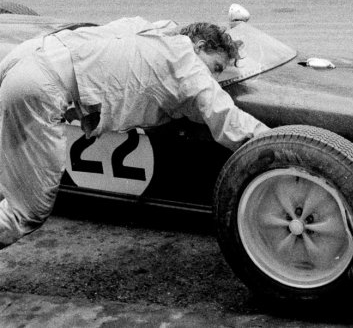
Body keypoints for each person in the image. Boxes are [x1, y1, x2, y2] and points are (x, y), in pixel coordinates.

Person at [0, 16, 269, 248]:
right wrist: (281, 144)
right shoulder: (186, 62)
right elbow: (226, 118)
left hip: (25, 55)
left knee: (5, 178)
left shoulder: (147, 29)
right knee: (28, 210)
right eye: (216, 68)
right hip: (39, 87)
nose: (213, 78)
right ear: (199, 46)